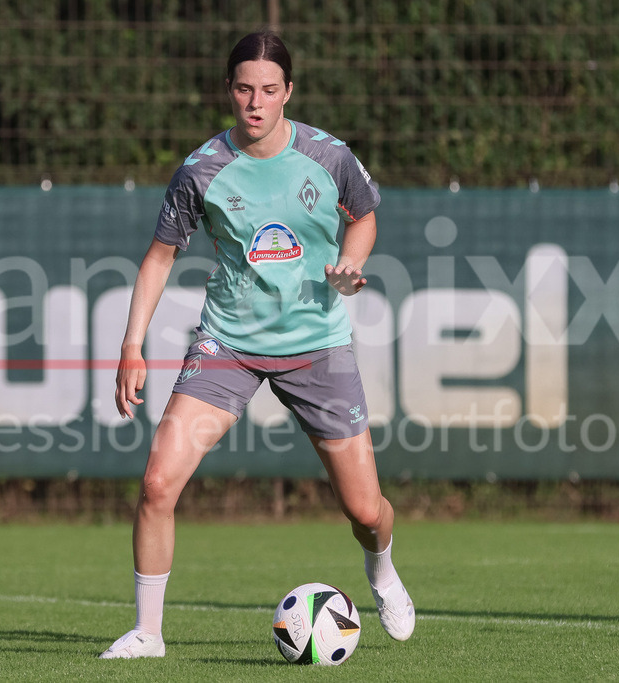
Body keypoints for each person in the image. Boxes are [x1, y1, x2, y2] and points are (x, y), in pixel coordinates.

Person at [100, 30, 415, 659]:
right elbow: (160, 257)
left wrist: (351, 264)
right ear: (229, 89)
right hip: (229, 346)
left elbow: (364, 217)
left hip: (318, 345)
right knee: (158, 483)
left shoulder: (328, 156)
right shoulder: (201, 169)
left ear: (288, 92)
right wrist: (132, 345)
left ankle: (382, 570)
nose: (255, 102)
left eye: (269, 90)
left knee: (364, 510)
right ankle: (148, 634)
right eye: (245, 89)